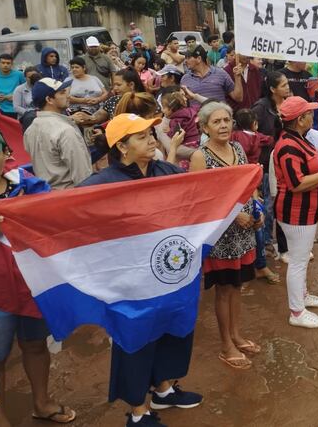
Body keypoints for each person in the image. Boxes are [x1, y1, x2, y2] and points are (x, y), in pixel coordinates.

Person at [79, 114, 201, 427]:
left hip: (168, 275)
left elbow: (198, 196)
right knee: (135, 341)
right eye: (141, 135)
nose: (151, 139)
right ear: (121, 145)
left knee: (171, 332)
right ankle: (138, 411)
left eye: (150, 133)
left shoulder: (165, 170)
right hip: (129, 284)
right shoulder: (101, 185)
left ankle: (163, 389)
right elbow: (71, 218)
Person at [0, 128, 76, 426]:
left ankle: (42, 403)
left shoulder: (30, 182)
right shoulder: (27, 190)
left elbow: (50, 220)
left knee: (35, 345)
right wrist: (16, 215)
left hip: (35, 284)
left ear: (6, 153)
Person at [189, 102, 262, 370]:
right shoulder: (201, 156)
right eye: (216, 122)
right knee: (223, 290)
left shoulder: (238, 149)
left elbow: (248, 184)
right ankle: (226, 345)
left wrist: (258, 208)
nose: (222, 125)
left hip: (244, 232)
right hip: (219, 236)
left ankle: (236, 335)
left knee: (237, 286)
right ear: (205, 127)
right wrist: (233, 215)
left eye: (226, 120)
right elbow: (199, 200)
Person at [273, 97, 318, 329]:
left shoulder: (298, 139)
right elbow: (297, 183)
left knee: (300, 259)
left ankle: (302, 296)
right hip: (296, 213)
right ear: (299, 119)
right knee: (298, 262)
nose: (312, 115)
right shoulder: (288, 146)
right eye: (308, 113)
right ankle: (296, 312)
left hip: (305, 211)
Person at [23, 79, 92, 189]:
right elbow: (83, 176)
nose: (67, 95)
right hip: (70, 195)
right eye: (62, 92)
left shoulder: (30, 130)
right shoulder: (65, 131)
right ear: (49, 99)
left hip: (45, 195)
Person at [252, 71, 291, 267]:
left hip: (283, 160)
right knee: (268, 204)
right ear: (272, 89)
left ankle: (277, 239)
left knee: (281, 200)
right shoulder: (261, 108)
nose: (287, 87)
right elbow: (253, 135)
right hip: (266, 161)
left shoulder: (288, 103)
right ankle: (266, 242)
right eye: (283, 85)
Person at [0, 55, 24, 119]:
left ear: (12, 64)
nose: (5, 65)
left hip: (17, 109)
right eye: (3, 63)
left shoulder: (19, 75)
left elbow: (26, 90)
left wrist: (16, 96)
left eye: (8, 63)